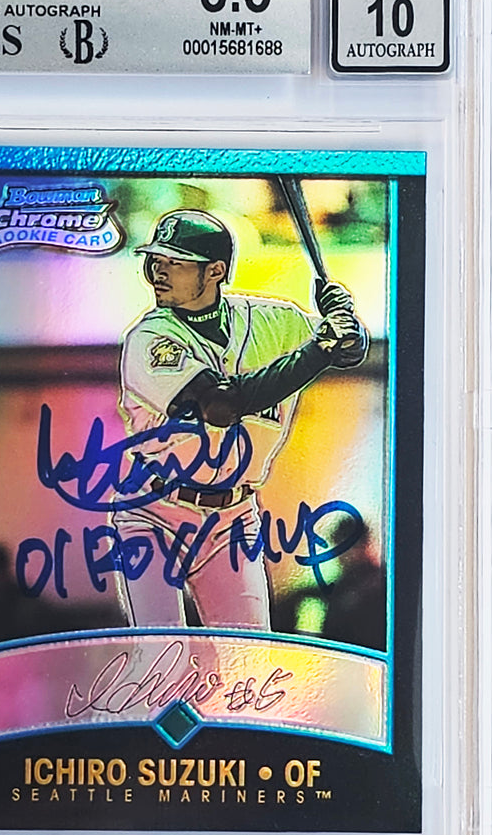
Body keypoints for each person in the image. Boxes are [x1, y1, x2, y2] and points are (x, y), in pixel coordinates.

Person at [115, 209, 368, 630]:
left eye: (176, 262)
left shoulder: (272, 322)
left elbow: (349, 350)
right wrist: (319, 350)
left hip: (233, 516)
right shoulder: (149, 338)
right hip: (155, 512)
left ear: (215, 271)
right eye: (156, 260)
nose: (159, 270)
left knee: (247, 656)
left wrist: (345, 323)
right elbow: (221, 405)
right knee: (161, 654)